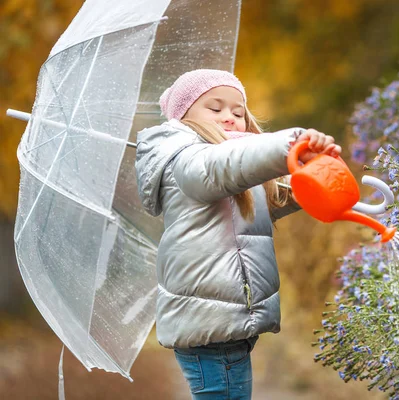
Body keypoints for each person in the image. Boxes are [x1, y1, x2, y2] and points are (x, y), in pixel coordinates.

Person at [134, 68, 341, 399]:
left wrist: (311, 171)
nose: (229, 117)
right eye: (214, 109)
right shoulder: (185, 158)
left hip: (224, 319)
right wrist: (290, 143)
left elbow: (271, 196)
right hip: (210, 325)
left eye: (238, 111)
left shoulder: (233, 166)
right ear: (183, 117)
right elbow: (220, 167)